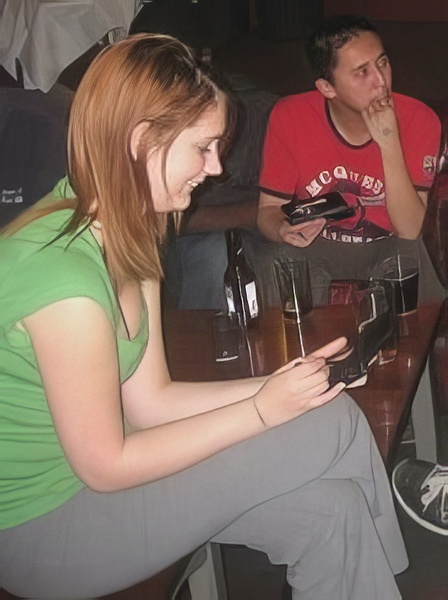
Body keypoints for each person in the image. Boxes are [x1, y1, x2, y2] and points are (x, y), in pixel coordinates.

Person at [0, 33, 408, 599]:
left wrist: (284, 385)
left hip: (101, 482)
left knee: (331, 511)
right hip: (44, 527)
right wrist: (265, 412)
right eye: (204, 147)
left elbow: (151, 402)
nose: (214, 169)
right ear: (142, 141)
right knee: (331, 423)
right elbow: (106, 465)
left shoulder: (132, 230)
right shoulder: (61, 277)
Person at [251, 14, 444, 308]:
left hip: (391, 245)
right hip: (320, 245)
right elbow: (268, 210)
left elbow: (411, 229)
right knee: (277, 260)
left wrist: (389, 142)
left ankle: (419, 352)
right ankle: (301, 352)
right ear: (327, 88)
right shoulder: (290, 116)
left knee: (416, 258)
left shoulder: (420, 119)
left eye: (383, 63)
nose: (381, 82)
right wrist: (282, 229)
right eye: (362, 72)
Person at [163, 72, 278, 309]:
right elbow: (170, 223)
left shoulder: (267, 115)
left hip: (257, 233)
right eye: (204, 146)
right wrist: (253, 212)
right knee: (212, 254)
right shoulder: (168, 163)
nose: (215, 168)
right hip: (191, 242)